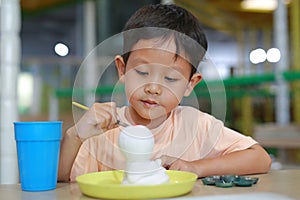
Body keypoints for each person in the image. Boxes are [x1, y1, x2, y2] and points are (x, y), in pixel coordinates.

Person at [58, 4, 271, 182]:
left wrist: (196, 167)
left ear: (190, 84)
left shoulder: (196, 126)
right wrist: (75, 135)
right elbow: (61, 180)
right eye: (142, 72)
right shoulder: (104, 130)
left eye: (170, 78)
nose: (153, 88)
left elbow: (260, 158)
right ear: (122, 69)